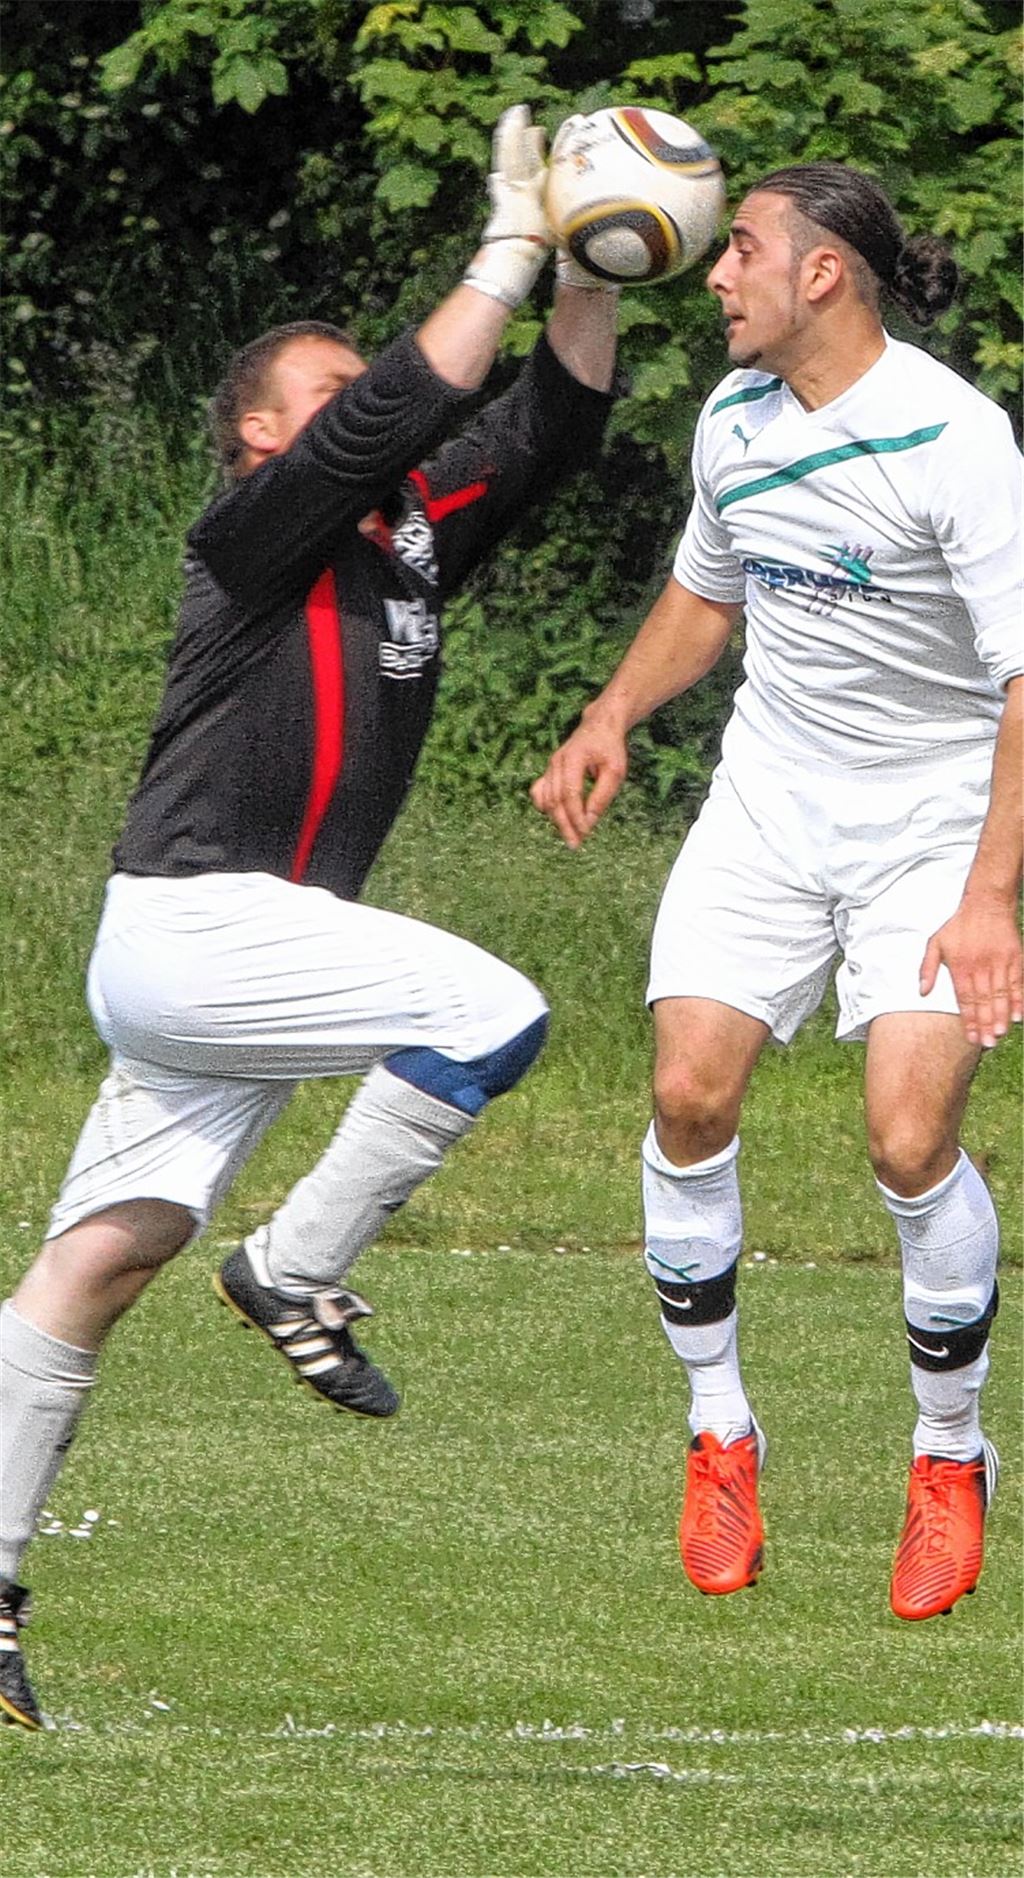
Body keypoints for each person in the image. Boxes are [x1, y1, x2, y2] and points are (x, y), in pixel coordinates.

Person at [0, 106, 622, 1729]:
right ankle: (295, 1267)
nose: (365, 416)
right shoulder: (251, 532)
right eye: (329, 399)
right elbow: (393, 417)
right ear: (263, 440)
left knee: (96, 1265)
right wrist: (498, 245)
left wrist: (596, 257)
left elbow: (548, 427)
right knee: (490, 1012)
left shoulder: (404, 539)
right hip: (199, 926)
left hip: (237, 958)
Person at [532, 161, 1022, 1620]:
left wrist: (991, 896)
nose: (716, 272)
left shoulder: (958, 439)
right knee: (687, 1093)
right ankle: (720, 1426)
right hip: (767, 804)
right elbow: (709, 589)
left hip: (935, 821)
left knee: (908, 1129)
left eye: (740, 249)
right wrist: (613, 711)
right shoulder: (735, 419)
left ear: (824, 276)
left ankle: (949, 1451)